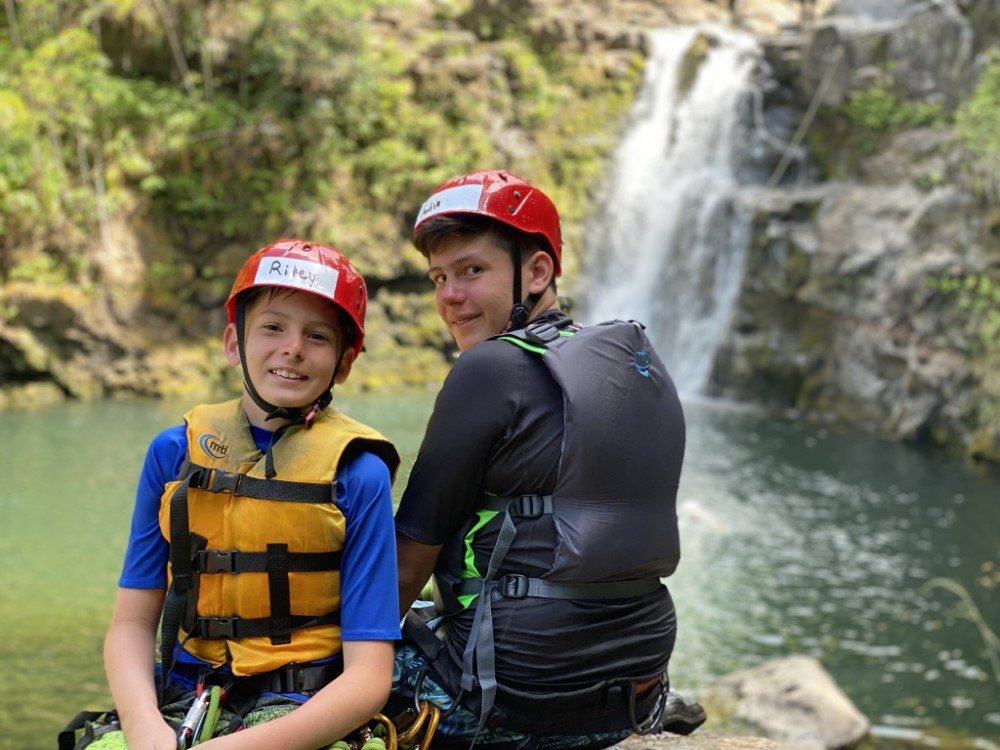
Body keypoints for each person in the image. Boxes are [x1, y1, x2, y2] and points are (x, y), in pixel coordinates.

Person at [388, 170, 705, 749]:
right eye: (439, 277)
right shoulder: (635, 366)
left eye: (471, 270)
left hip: (508, 704)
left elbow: (406, 566)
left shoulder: (489, 369)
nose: (449, 296)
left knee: (298, 674)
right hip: (634, 692)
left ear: (537, 272)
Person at [64, 239, 401, 749]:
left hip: (304, 707)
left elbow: (368, 679)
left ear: (343, 364)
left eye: (317, 336)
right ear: (233, 343)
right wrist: (143, 726)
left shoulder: (359, 473)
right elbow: (131, 623)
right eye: (272, 327)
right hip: (181, 699)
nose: (293, 348)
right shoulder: (174, 453)